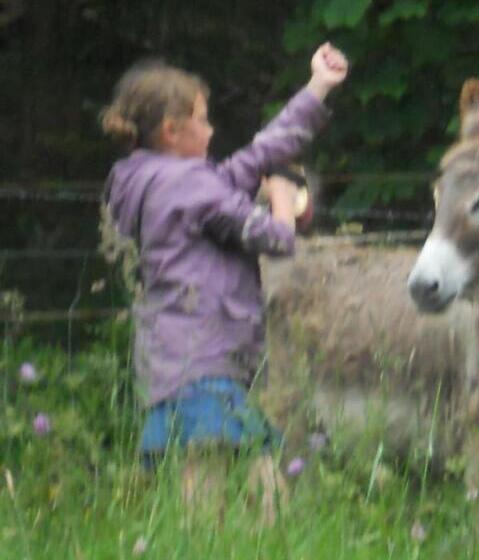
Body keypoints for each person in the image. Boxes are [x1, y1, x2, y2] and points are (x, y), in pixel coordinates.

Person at [99, 42, 348, 523]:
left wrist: (317, 86)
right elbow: (275, 238)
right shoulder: (191, 188)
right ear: (172, 131)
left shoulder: (147, 178)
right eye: (204, 119)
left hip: (173, 358)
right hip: (205, 356)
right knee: (212, 482)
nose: (212, 129)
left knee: (244, 469)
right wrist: (280, 197)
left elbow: (257, 155)